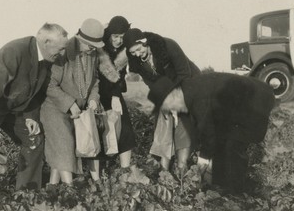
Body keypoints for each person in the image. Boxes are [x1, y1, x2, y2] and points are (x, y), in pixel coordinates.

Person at [0, 23, 69, 198]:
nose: (62, 53)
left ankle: (27, 193)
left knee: (34, 139)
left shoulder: (48, 59)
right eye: (61, 49)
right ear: (46, 42)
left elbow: (35, 94)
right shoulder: (15, 51)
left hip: (7, 107)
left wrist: (31, 117)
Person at [148, 73, 276, 193]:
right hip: (242, 102)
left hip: (255, 100)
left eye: (169, 107)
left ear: (172, 95)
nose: (172, 111)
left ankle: (234, 194)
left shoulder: (197, 98)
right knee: (223, 141)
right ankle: (221, 186)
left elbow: (208, 134)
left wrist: (201, 164)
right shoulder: (188, 90)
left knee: (233, 145)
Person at [123, 28, 201, 175]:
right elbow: (152, 84)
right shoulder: (137, 61)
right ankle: (164, 168)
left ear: (144, 42)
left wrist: (176, 101)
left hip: (189, 82)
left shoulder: (168, 46)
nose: (137, 54)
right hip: (167, 88)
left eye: (138, 50)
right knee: (164, 119)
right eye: (133, 53)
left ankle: (181, 166)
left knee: (184, 121)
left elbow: (184, 74)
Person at [41, 18, 104, 186]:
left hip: (77, 111)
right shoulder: (63, 52)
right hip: (54, 108)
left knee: (60, 154)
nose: (92, 49)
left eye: (95, 46)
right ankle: (70, 190)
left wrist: (92, 99)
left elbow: (95, 81)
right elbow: (49, 85)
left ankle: (52, 190)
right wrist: (70, 104)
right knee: (65, 147)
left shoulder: (93, 54)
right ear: (80, 39)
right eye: (90, 45)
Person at [96, 16, 148, 183]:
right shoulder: (99, 46)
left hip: (114, 92)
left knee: (125, 127)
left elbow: (121, 76)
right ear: (109, 34)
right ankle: (98, 175)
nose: (118, 40)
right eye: (115, 36)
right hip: (96, 93)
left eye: (121, 36)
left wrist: (116, 96)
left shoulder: (125, 50)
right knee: (99, 130)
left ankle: (125, 169)